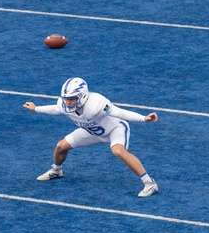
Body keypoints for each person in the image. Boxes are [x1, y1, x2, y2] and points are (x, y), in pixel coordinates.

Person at [23, 77, 160, 197]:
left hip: (115, 129)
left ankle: (150, 183)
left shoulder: (98, 104)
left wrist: (143, 119)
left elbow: (120, 113)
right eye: (66, 99)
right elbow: (56, 109)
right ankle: (56, 170)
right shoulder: (63, 104)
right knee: (61, 146)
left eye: (71, 99)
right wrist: (36, 108)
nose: (68, 102)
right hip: (92, 131)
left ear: (82, 96)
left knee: (118, 151)